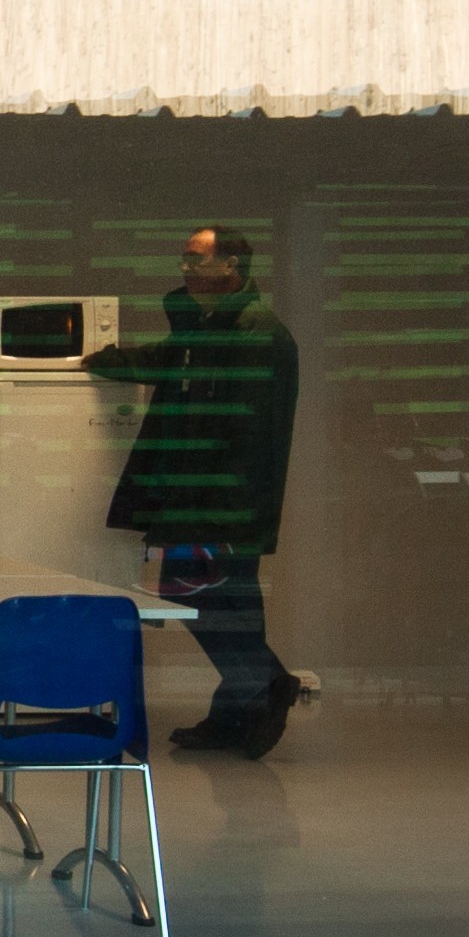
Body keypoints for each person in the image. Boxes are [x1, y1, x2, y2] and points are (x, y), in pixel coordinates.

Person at [86, 223, 306, 757]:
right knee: (215, 601)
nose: (185, 269)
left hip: (223, 505)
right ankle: (242, 704)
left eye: (196, 260)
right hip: (201, 498)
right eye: (183, 259)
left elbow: (248, 434)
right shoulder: (211, 328)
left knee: (214, 600)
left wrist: (219, 506)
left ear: (231, 267)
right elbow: (167, 360)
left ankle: (264, 687)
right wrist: (107, 360)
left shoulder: (257, 336)